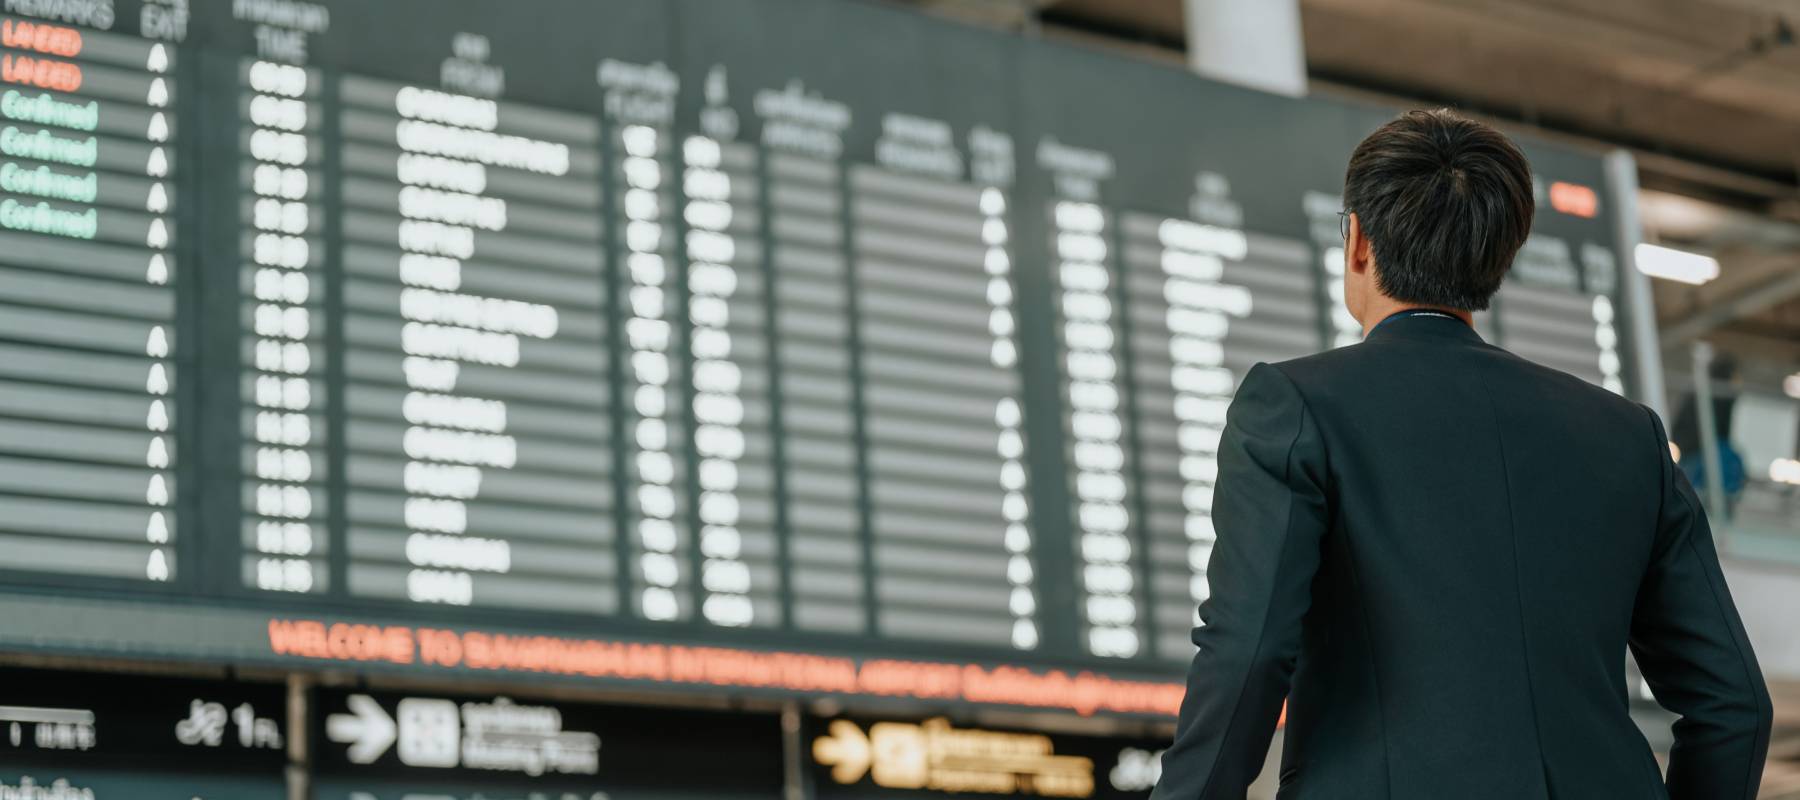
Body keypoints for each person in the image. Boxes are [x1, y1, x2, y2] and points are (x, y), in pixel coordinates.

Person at [1151, 109, 1771, 799]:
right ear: (1495, 259)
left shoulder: (1296, 406)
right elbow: (1734, 705)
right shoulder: (1627, 435)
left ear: (1357, 242)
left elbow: (1248, 651)